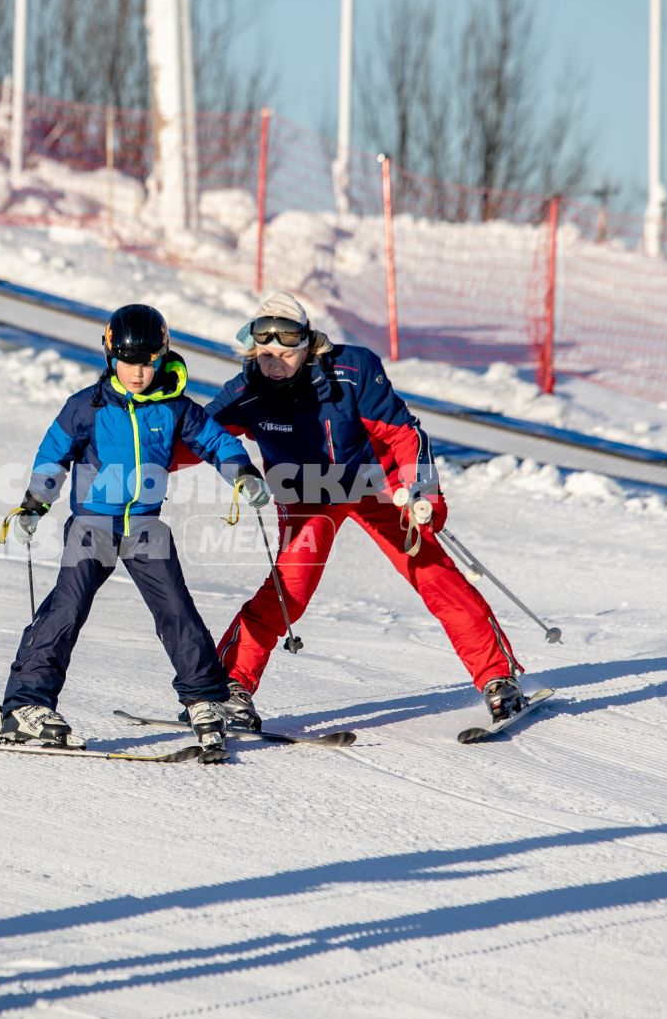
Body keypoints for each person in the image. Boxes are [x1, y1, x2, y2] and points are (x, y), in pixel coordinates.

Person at [205, 292, 526, 729]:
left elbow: (404, 433)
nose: (275, 360)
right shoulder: (248, 392)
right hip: (307, 495)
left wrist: (423, 492)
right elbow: (193, 436)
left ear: (307, 345)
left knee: (434, 575)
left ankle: (498, 679)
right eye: (265, 353)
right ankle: (230, 689)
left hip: (375, 485)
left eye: (286, 351)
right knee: (288, 590)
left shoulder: (354, 371)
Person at [0, 304, 269, 764]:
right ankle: (26, 706)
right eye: (127, 361)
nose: (137, 372)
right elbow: (52, 454)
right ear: (109, 356)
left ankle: (205, 697)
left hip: (144, 524)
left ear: (161, 358)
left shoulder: (174, 406)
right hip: (91, 525)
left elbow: (217, 441)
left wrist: (242, 474)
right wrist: (34, 504)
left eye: (146, 362)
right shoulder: (87, 406)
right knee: (65, 610)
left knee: (176, 609)